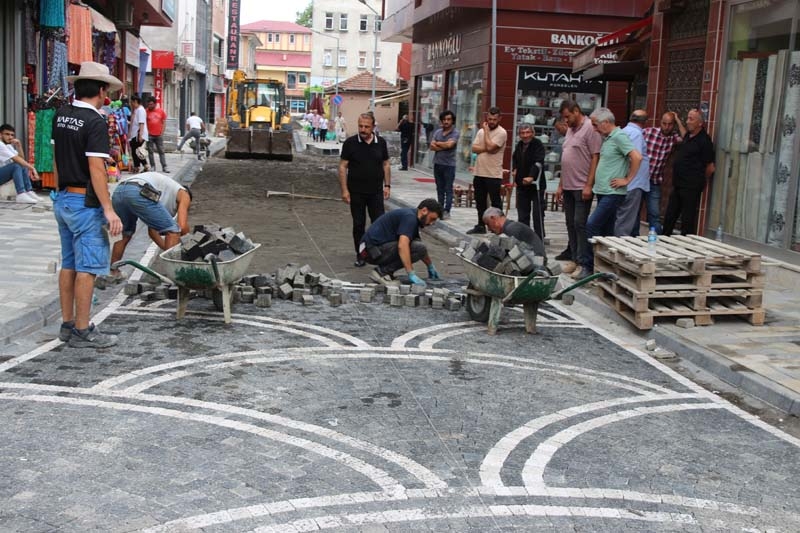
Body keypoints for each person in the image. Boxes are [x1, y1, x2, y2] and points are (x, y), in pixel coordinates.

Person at [52, 61, 123, 348]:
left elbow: (56, 158)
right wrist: (108, 209)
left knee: (68, 263)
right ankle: (83, 329)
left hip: (64, 199)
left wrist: (57, 192)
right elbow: (97, 168)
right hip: (84, 202)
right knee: (88, 267)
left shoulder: (62, 114)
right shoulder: (95, 121)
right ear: (102, 90)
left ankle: (67, 324)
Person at [577, 108, 642, 280]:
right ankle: (604, 267)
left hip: (614, 192)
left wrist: (627, 179)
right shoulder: (607, 138)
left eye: (596, 125)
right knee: (606, 231)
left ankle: (588, 265)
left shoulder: (619, 136)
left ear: (606, 122)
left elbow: (637, 157)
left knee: (591, 225)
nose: (595, 129)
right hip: (604, 191)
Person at [109, 172, 192, 281]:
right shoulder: (184, 194)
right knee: (173, 230)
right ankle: (174, 276)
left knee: (125, 234)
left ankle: (112, 273)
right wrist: (190, 247)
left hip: (119, 191)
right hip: (138, 190)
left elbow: (152, 232)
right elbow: (182, 226)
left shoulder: (163, 194)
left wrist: (168, 249)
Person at [554, 100, 602, 276]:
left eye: (567, 116)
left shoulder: (590, 128)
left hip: (582, 185)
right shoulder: (570, 130)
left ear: (576, 111)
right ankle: (574, 259)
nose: (565, 121)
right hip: (568, 185)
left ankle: (584, 264)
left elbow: (595, 157)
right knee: (569, 223)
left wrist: (589, 184)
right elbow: (566, 158)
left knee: (580, 224)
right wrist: (560, 185)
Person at [339, 112, 391, 267]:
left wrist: (387, 185)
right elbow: (342, 166)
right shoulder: (350, 143)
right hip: (356, 192)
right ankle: (361, 254)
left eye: (366, 127)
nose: (363, 129)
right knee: (359, 224)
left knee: (379, 223)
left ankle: (378, 253)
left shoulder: (380, 143)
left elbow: (386, 164)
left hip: (376, 191)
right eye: (360, 126)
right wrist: (344, 190)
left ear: (373, 127)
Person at [360, 198, 442, 287]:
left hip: (372, 249)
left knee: (418, 246)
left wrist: (430, 266)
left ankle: (386, 272)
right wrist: (411, 273)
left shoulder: (412, 217)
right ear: (424, 210)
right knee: (416, 248)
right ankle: (381, 273)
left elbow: (420, 248)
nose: (431, 223)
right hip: (370, 251)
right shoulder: (410, 218)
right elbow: (402, 245)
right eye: (432, 219)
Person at [662, 109, 715, 236]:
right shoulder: (688, 136)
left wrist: (701, 181)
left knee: (687, 219)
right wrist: (678, 120)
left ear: (700, 123)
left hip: (691, 186)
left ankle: (686, 246)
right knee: (670, 216)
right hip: (678, 184)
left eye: (691, 119)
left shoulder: (704, 141)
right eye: (687, 118)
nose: (688, 121)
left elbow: (710, 167)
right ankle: (663, 240)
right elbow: (683, 131)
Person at [467, 106, 507, 234]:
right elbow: (474, 148)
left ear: (499, 119)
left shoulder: (502, 132)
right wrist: (487, 146)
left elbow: (491, 147)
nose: (491, 122)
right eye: (489, 119)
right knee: (480, 201)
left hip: (493, 173)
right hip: (479, 171)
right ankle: (480, 225)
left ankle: (499, 226)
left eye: (494, 119)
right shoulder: (480, 132)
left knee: (495, 202)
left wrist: (485, 135)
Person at [643, 111, 685, 232]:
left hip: (655, 181)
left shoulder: (673, 138)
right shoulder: (649, 132)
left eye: (670, 124)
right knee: (634, 211)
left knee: (654, 213)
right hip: (640, 179)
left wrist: (677, 119)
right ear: (660, 122)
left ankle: (656, 240)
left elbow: (686, 138)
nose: (666, 127)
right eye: (664, 123)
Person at [614, 110, 651, 236]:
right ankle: (619, 245)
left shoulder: (624, 131)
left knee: (630, 218)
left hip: (629, 181)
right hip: (633, 182)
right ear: (645, 122)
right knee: (625, 219)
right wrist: (628, 179)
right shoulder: (636, 134)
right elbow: (634, 157)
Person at [511, 123, 546, 239]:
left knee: (538, 213)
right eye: (522, 133)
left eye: (527, 132)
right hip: (522, 184)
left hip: (536, 184)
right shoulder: (519, 145)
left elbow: (538, 161)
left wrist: (532, 176)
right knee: (522, 213)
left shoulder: (537, 144)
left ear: (533, 133)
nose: (525, 135)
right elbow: (515, 158)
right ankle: (524, 237)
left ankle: (539, 238)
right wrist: (514, 169)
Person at [482, 207, 546, 260]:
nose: (489, 229)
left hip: (536, 260)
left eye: (488, 224)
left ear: (493, 218)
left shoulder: (511, 228)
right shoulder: (510, 227)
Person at [429, 109, 459, 220]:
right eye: (444, 119)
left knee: (448, 189)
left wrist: (438, 144)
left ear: (452, 121)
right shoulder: (437, 132)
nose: (446, 121)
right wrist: (443, 145)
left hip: (449, 165)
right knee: (439, 188)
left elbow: (450, 145)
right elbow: (431, 147)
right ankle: (440, 209)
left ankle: (447, 210)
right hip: (438, 163)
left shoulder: (455, 132)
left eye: (449, 119)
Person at [0, 123, 40, 203]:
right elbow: (17, 159)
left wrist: (19, 145)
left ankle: (28, 191)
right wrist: (32, 168)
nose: (10, 137)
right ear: (0, 134)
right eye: (7, 134)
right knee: (16, 165)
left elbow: (21, 159)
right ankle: (21, 193)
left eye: (12, 135)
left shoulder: (8, 146)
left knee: (21, 164)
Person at [145, 96, 169, 173]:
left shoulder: (161, 112)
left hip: (158, 134)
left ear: (155, 104)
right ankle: (153, 166)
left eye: (151, 104)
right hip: (149, 135)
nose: (150, 106)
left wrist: (162, 132)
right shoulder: (146, 111)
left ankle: (164, 166)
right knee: (150, 151)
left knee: (161, 151)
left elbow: (164, 122)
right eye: (148, 104)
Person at [128, 95, 149, 173]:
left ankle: (145, 166)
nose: (131, 104)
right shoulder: (136, 110)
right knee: (135, 151)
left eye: (132, 102)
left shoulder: (141, 110)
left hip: (138, 134)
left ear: (135, 101)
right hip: (135, 134)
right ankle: (137, 166)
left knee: (138, 151)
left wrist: (140, 135)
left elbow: (141, 123)